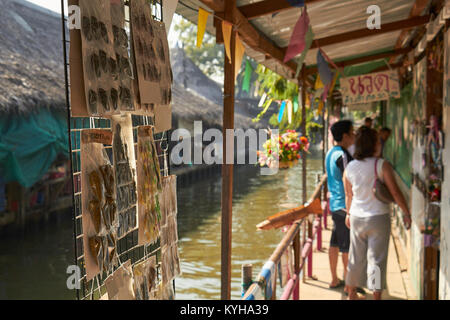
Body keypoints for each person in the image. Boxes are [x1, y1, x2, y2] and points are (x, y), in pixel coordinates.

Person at [343, 126, 411, 300]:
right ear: (374, 144)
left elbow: (348, 195)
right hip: (378, 218)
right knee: (377, 260)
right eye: (378, 141)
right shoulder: (381, 165)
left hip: (357, 217)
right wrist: (406, 212)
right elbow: (395, 192)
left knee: (355, 256)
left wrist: (349, 214)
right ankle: (376, 297)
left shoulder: (350, 167)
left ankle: (351, 293)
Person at [325, 120, 355, 290]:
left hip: (335, 205)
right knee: (346, 247)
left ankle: (335, 279)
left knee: (335, 242)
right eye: (352, 132)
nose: (354, 136)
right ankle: (349, 286)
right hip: (344, 206)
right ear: (345, 136)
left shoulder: (331, 153)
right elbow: (349, 180)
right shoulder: (342, 155)